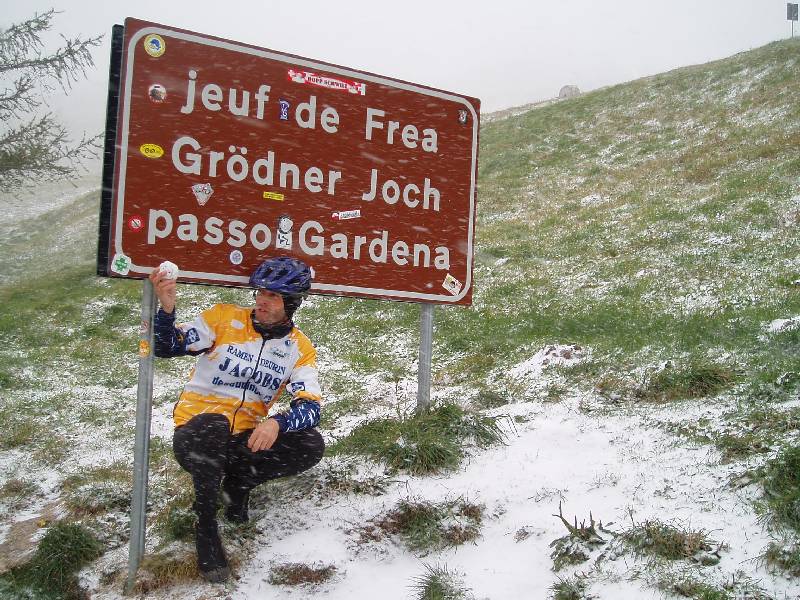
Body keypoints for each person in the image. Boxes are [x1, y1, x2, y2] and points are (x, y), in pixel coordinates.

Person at [148, 256, 325, 583]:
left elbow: (312, 408)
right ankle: (206, 525)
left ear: (292, 303)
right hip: (195, 433)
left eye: (273, 296)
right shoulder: (223, 318)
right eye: (261, 293)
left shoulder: (298, 348)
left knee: (311, 443)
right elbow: (164, 345)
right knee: (213, 423)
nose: (262, 301)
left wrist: (277, 423)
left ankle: (238, 483)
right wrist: (167, 309)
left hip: (240, 442)